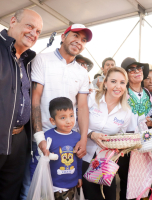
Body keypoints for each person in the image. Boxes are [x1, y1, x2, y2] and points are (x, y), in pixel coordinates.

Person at [0, 8, 43, 200]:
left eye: (38, 31)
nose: (33, 33)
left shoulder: (28, 60)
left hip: (18, 143)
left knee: (8, 195)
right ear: (13, 21)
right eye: (29, 26)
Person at [30, 24, 91, 181]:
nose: (79, 42)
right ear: (63, 37)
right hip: (43, 136)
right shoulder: (42, 59)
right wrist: (39, 137)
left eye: (84, 40)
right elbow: (35, 99)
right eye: (75, 36)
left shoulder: (82, 72)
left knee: (64, 187)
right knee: (35, 187)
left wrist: (83, 139)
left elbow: (83, 107)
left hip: (68, 140)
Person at [82, 67, 132, 200]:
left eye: (122, 82)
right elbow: (75, 123)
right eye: (113, 81)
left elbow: (121, 136)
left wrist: (119, 148)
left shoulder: (126, 111)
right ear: (105, 83)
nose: (118, 86)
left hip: (106, 163)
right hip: (84, 157)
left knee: (109, 196)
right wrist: (91, 134)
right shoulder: (91, 98)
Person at [119, 57, 152, 200]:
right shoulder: (121, 93)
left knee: (145, 180)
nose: (137, 72)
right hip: (127, 142)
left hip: (147, 141)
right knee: (127, 180)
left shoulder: (151, 94)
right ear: (125, 74)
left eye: (139, 69)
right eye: (131, 69)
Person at [33, 97, 83, 200]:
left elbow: (79, 159)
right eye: (63, 118)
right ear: (52, 121)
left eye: (71, 116)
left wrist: (79, 176)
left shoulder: (77, 137)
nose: (69, 121)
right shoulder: (47, 137)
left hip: (71, 184)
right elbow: (38, 160)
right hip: (52, 186)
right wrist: (38, 180)